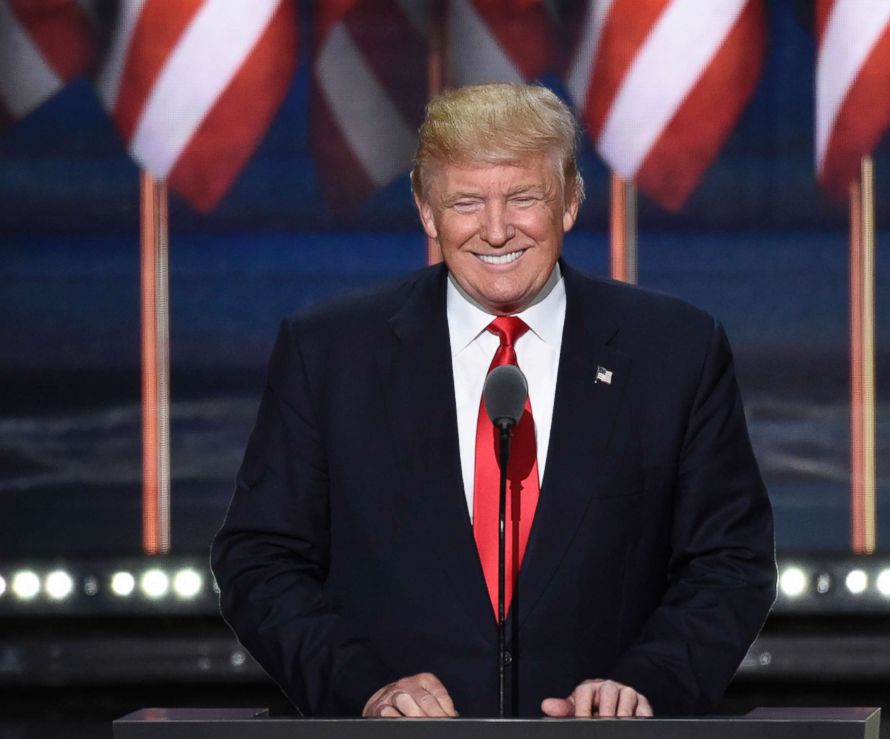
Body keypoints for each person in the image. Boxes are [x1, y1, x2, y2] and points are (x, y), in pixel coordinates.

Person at [211, 82, 776, 719]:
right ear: (427, 213)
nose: (498, 230)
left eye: (524, 197)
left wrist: (645, 684)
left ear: (569, 202)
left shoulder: (674, 350)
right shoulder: (330, 353)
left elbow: (730, 561)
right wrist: (363, 690)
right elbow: (260, 560)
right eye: (467, 202)